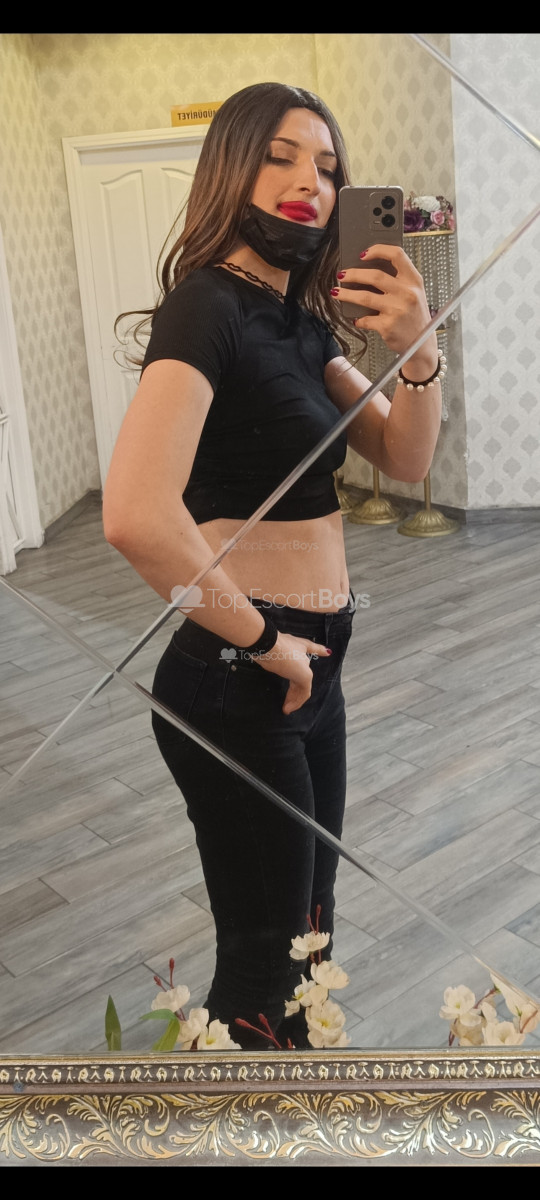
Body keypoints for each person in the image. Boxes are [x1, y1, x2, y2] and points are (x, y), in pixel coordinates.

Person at [103, 82, 442, 1049]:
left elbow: (407, 456)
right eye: (281, 156)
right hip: (240, 673)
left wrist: (419, 352)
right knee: (265, 959)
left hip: (311, 670)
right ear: (231, 166)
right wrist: (264, 643)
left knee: (308, 934)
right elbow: (135, 516)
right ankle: (248, 1111)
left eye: (328, 168)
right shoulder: (207, 307)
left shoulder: (296, 321)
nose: (310, 183)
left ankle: (289, 1095)